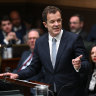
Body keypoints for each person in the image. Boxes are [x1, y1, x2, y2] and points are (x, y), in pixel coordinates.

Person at [0, 6, 90, 96]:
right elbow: (34, 67)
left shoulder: (74, 39)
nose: (56, 24)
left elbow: (86, 64)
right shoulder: (40, 42)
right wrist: (17, 75)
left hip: (71, 92)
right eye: (52, 21)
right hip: (49, 91)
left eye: (59, 20)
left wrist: (79, 65)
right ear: (45, 24)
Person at [0, 29, 43, 95]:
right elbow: (18, 69)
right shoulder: (25, 53)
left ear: (41, 40)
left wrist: (19, 78)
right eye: (30, 38)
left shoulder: (43, 55)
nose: (32, 40)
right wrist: (10, 75)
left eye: (35, 38)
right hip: (16, 80)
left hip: (28, 84)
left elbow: (36, 73)